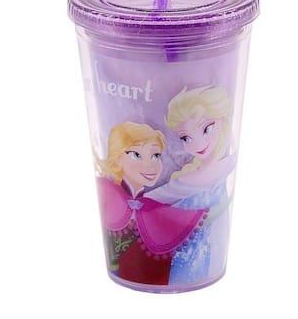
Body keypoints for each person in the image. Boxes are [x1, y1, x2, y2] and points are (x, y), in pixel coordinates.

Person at [96, 122, 207, 286]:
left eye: (156, 156)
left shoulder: (151, 204)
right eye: (136, 155)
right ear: (117, 158)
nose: (151, 165)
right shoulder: (112, 194)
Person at [145, 86, 235, 285]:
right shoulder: (185, 181)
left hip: (216, 251)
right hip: (188, 258)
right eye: (186, 138)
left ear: (223, 120)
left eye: (207, 128)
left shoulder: (227, 165)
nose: (197, 144)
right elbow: (146, 202)